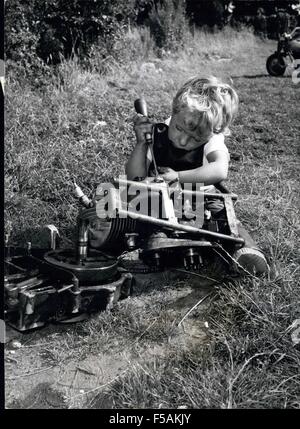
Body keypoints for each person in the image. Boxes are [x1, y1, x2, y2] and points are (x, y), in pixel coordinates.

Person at [126, 76, 269, 275]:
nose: (183, 140)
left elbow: (220, 169)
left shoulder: (213, 138)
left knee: (225, 218)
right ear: (173, 111)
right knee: (132, 207)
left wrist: (178, 176)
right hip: (160, 201)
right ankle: (148, 243)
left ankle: (247, 252)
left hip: (202, 198)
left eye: (196, 138)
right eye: (178, 128)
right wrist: (141, 144)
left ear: (212, 132)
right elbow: (134, 177)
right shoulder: (157, 134)